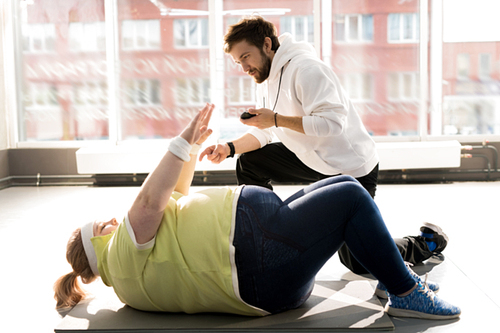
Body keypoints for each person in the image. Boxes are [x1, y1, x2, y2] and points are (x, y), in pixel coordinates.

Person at [54, 103, 461, 320]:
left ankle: (395, 276)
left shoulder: (131, 269)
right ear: (97, 244)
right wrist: (178, 144)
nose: (113, 221)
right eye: (103, 226)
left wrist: (192, 149)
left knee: (345, 188)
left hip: (263, 253)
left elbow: (172, 195)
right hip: (261, 261)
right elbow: (147, 204)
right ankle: (408, 294)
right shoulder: (121, 259)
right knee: (352, 199)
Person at [199, 16, 447, 276]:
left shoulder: (306, 69)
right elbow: (268, 131)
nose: (244, 67)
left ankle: (427, 242)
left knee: (358, 262)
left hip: (349, 167)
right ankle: (263, 240)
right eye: (239, 62)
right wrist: (229, 147)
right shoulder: (267, 79)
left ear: (267, 44)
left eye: (246, 57)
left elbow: (331, 124)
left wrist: (275, 119)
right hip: (310, 159)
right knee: (249, 162)